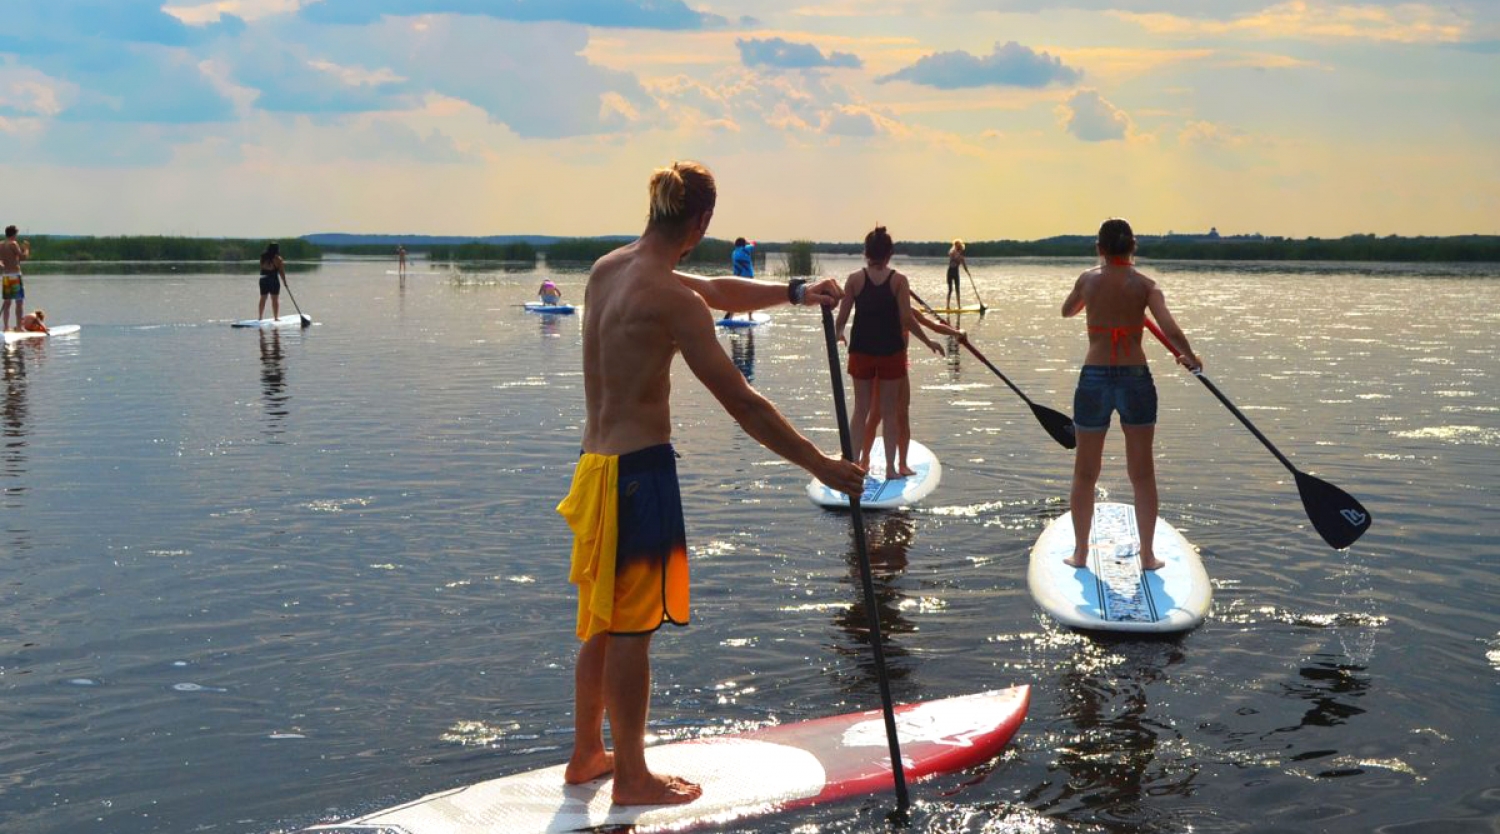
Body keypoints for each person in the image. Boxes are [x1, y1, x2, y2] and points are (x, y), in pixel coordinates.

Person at [556, 161, 864, 806]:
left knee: (602, 622)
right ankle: (633, 778)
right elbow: (744, 405)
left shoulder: (611, 268)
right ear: (701, 223)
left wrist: (796, 292)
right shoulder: (671, 298)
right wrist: (823, 465)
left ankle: (588, 752)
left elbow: (717, 291)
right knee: (633, 630)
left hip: (594, 467)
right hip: (639, 477)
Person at [1061, 218, 1201, 572]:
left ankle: (1080, 554)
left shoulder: (1087, 280)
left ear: (1100, 248)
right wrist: (1191, 357)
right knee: (1142, 474)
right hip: (1135, 378)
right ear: (1133, 247)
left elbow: (1067, 310)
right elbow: (1170, 328)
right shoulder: (1147, 286)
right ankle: (1148, 556)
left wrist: (1092, 296)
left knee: (1084, 474)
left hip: (1094, 378)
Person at [834, 225, 947, 480]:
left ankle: (851, 465)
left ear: (866, 253)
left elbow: (841, 317)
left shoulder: (854, 279)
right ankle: (891, 469)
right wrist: (929, 342)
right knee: (888, 413)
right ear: (889, 254)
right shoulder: (899, 280)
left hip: (861, 351)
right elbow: (907, 320)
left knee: (860, 410)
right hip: (891, 353)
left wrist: (838, 332)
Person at [859, 304, 965, 474]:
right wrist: (953, 334)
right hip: (894, 367)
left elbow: (935, 326)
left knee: (879, 415)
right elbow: (933, 328)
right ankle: (896, 465)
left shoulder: (882, 305)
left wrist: (956, 333)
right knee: (896, 416)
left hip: (881, 366)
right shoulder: (903, 310)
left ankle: (867, 462)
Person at [1, 225, 32, 331]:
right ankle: (19, 327)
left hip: (6, 275)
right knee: (19, 302)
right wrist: (26, 249)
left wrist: (2, 265)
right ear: (14, 234)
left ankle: (6, 327)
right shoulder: (13, 244)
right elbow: (23, 257)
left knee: (7, 302)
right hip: (15, 275)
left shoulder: (1, 244)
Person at [721, 236, 757, 320]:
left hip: (737, 277)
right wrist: (748, 242)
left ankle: (730, 315)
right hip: (748, 277)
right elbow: (754, 244)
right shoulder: (746, 249)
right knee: (750, 297)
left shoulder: (734, 253)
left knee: (736, 296)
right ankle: (750, 317)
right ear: (744, 244)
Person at [257, 242, 287, 321]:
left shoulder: (262, 257)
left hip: (263, 279)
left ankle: (260, 317)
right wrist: (285, 282)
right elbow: (281, 272)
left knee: (263, 298)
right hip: (273, 280)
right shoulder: (278, 259)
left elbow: (261, 267)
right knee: (275, 299)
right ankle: (276, 318)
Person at [945, 239, 971, 310]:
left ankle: (959, 306)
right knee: (950, 290)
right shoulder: (952, 252)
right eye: (957, 247)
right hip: (950, 271)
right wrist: (958, 256)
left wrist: (968, 272)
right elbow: (952, 254)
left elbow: (964, 265)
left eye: (959, 248)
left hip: (956, 272)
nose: (959, 249)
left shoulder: (961, 256)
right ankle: (947, 306)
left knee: (957, 289)